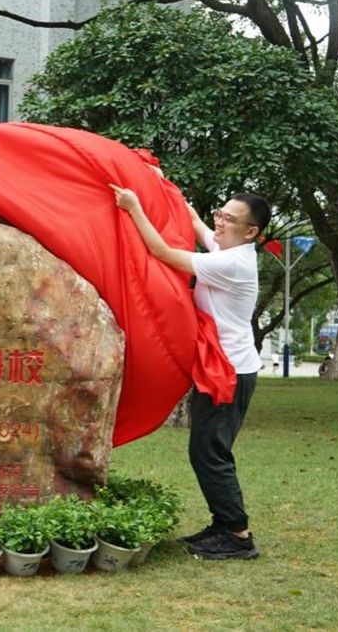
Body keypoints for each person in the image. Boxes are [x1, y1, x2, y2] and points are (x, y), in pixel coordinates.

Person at [111, 183, 269, 561]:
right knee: (206, 449)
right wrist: (161, 184)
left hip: (229, 372)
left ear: (251, 232)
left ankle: (237, 535)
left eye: (229, 219)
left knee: (209, 452)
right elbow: (197, 223)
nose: (220, 222)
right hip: (222, 366)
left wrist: (134, 207)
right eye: (221, 214)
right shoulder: (227, 249)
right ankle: (223, 524)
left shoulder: (233, 263)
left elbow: (162, 252)